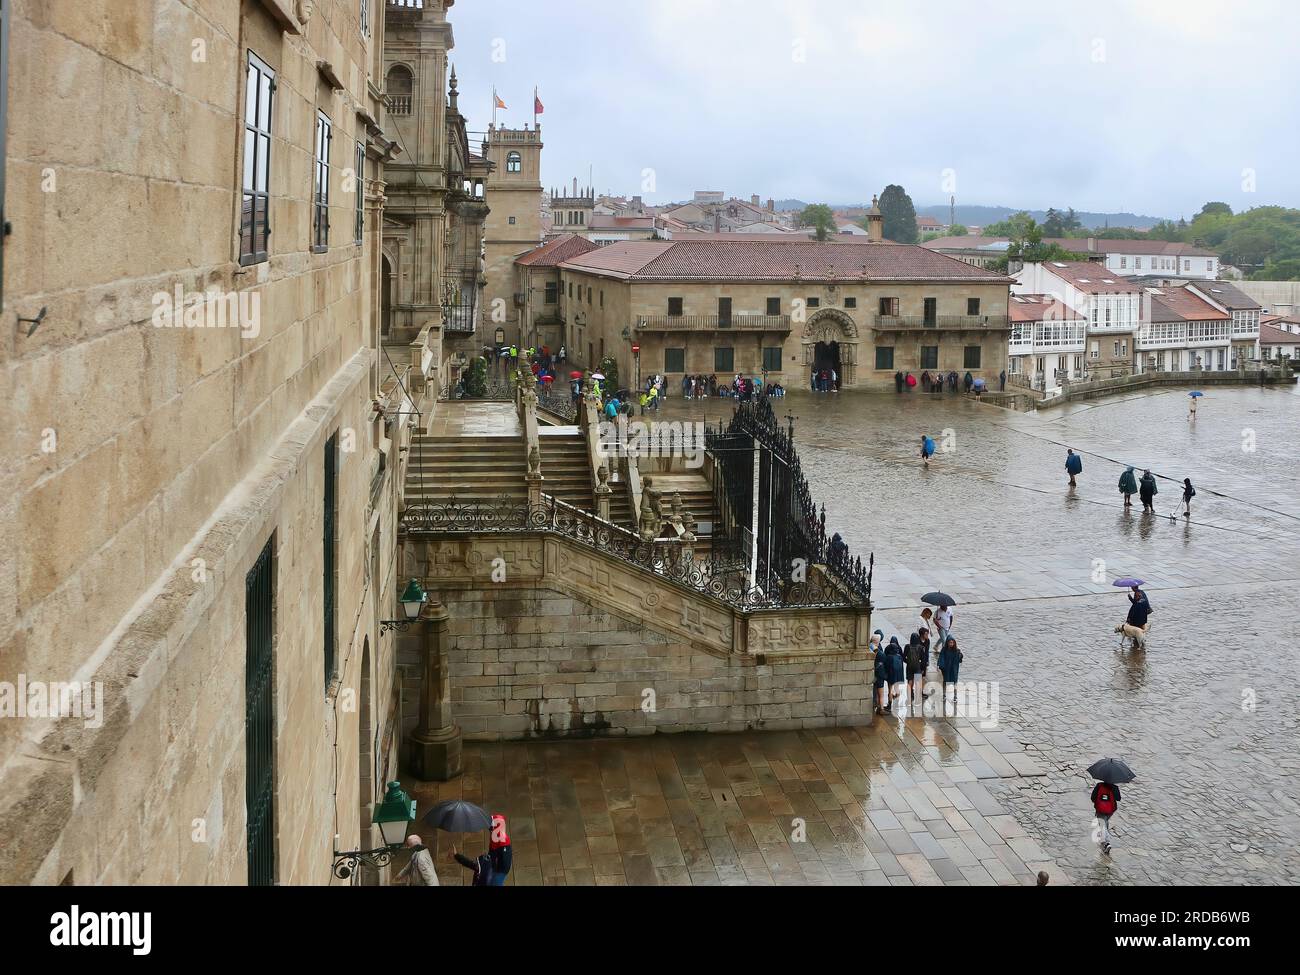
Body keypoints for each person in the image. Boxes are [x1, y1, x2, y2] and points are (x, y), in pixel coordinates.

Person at [1091, 780, 1121, 853]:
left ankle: (1106, 843)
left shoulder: (1099, 785)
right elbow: (1118, 798)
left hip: (1100, 809)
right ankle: (1103, 841)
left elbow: (1093, 797)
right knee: (1105, 822)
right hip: (1110, 810)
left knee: (1102, 825)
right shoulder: (1114, 787)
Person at [903, 631, 928, 711]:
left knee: (910, 682)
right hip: (918, 667)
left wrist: (908, 662)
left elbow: (904, 657)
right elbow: (924, 660)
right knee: (918, 683)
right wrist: (922, 669)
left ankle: (910, 696)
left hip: (909, 667)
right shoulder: (921, 647)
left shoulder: (907, 646)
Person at [937, 636, 962, 709]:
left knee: (955, 682)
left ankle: (955, 696)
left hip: (954, 669)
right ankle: (944, 695)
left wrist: (960, 655)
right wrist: (939, 665)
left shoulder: (957, 650)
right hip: (946, 669)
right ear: (947, 643)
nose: (951, 644)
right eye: (950, 642)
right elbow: (941, 657)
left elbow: (960, 659)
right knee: (945, 681)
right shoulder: (944, 650)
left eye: (952, 642)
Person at [488, 814, 512, 886]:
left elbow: (504, 861)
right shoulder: (495, 838)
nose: (490, 829)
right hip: (496, 869)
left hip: (500, 870)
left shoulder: (502, 840)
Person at [885, 636, 907, 710]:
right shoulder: (899, 656)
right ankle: (897, 701)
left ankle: (889, 704)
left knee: (890, 689)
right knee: (897, 689)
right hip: (898, 675)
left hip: (891, 675)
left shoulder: (889, 657)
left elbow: (886, 666)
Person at [872, 632, 889, 714]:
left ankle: (876, 705)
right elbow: (885, 662)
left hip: (873, 673)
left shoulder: (870, 647)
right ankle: (881, 708)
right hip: (879, 675)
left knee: (874, 692)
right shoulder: (880, 653)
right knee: (881, 694)